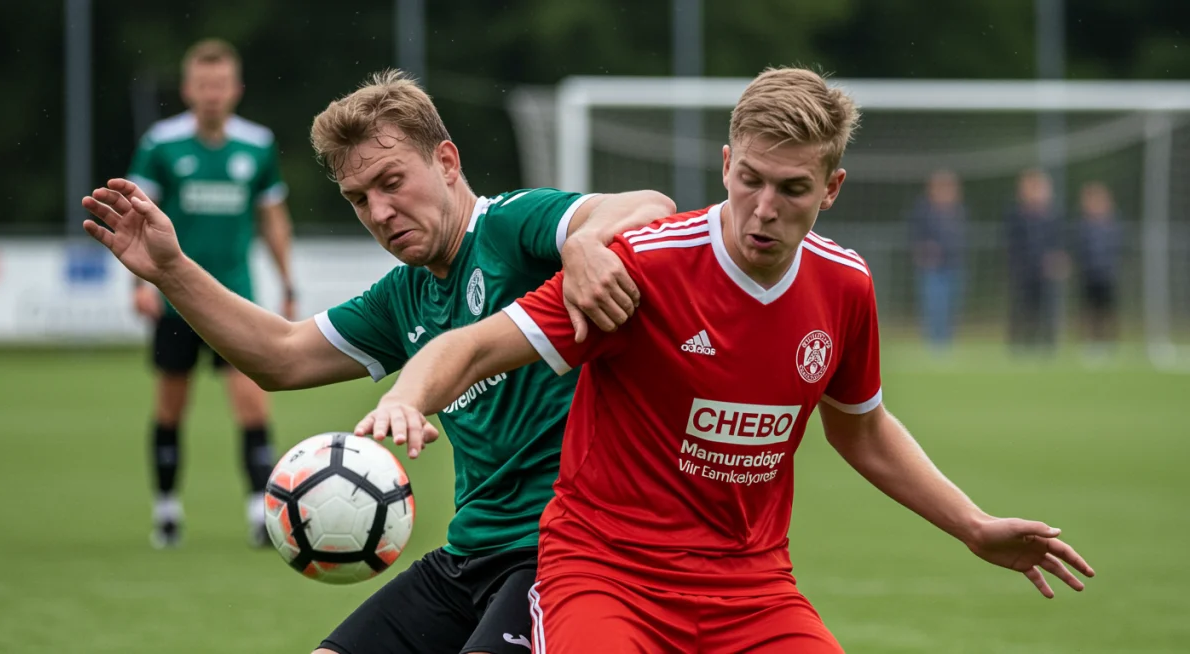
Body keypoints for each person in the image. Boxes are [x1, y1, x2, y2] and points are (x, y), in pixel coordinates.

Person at [359, 67, 1096, 653]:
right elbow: (474, 344)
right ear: (725, 165)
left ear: (831, 190)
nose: (763, 207)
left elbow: (861, 430)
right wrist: (407, 399)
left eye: (792, 188)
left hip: (751, 589)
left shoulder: (844, 286)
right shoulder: (645, 267)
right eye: (750, 178)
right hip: (608, 578)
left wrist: (972, 524)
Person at [83, 68, 673, 654]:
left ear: (446, 161)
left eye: (392, 182)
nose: (380, 212)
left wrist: (583, 243)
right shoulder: (404, 295)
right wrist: (170, 270)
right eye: (358, 199)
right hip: (468, 557)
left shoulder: (510, 227)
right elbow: (281, 357)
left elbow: (648, 204)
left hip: (560, 557)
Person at [125, 38, 297, 549]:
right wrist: (139, 284)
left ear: (236, 90)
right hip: (174, 300)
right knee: (171, 408)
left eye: (220, 85)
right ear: (187, 90)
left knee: (252, 407)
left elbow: (273, 220)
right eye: (203, 85)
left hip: (236, 300)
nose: (212, 94)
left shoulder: (257, 146)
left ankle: (257, 514)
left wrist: (287, 285)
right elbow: (136, 214)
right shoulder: (162, 144)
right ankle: (167, 512)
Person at [1005, 168, 1068, 355]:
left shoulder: (1052, 215)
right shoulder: (1016, 214)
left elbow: (1059, 242)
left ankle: (1048, 346)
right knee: (1022, 309)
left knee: (1048, 309)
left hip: (1046, 271)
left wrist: (1057, 260)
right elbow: (1012, 243)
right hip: (1023, 270)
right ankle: (1020, 346)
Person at [909, 169, 967, 352]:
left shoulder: (958, 211)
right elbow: (914, 237)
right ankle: (933, 343)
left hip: (954, 265)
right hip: (931, 268)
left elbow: (962, 237)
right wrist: (924, 252)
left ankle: (947, 341)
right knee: (933, 305)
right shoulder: (923, 211)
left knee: (952, 306)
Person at [1075, 181, 1123, 360]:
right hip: (1089, 275)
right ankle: (1089, 343)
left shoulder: (1112, 225)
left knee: (1108, 310)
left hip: (1108, 274)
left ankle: (1108, 343)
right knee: (1088, 309)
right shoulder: (1084, 226)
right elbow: (1080, 249)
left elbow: (1117, 248)